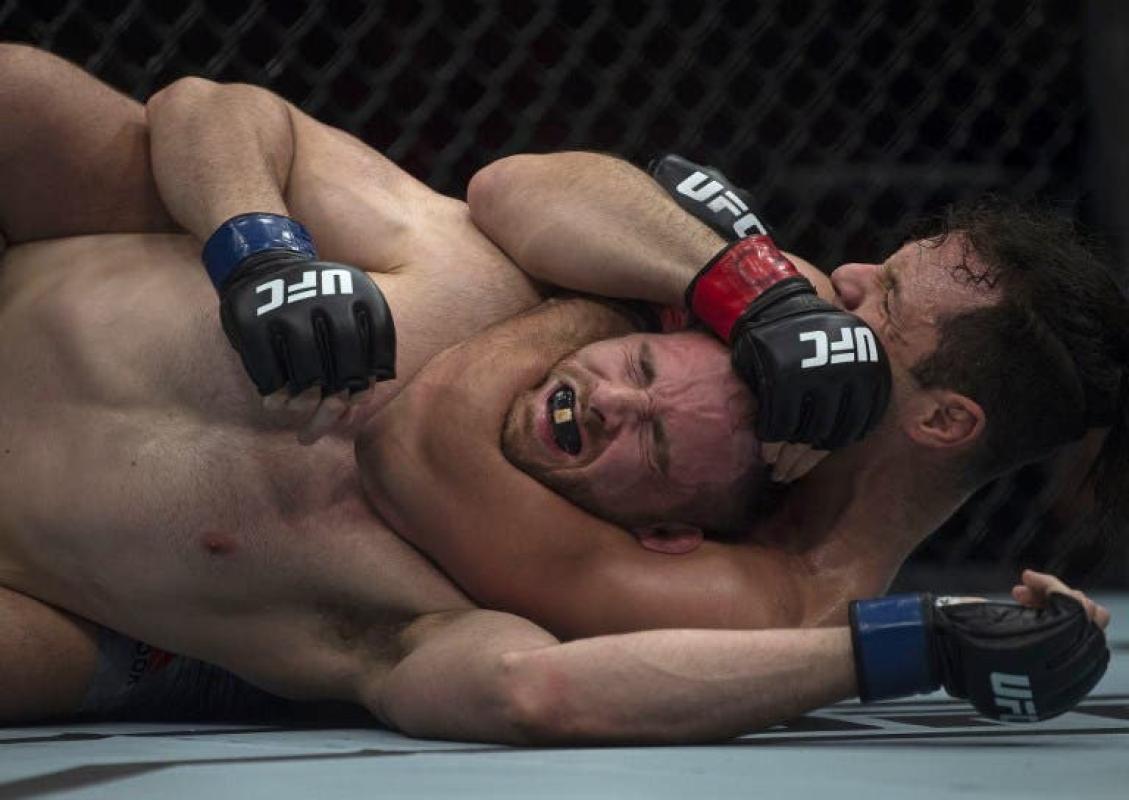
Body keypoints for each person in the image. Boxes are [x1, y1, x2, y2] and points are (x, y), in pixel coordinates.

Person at [0, 45, 1108, 740]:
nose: (853, 277)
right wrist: (259, 247)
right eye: (643, 371)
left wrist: (917, 644)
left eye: (890, 297)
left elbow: (438, 478)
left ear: (943, 420)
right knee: (30, 98)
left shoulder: (764, 589)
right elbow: (509, 184)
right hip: (57, 288)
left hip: (101, 583)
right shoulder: (758, 310)